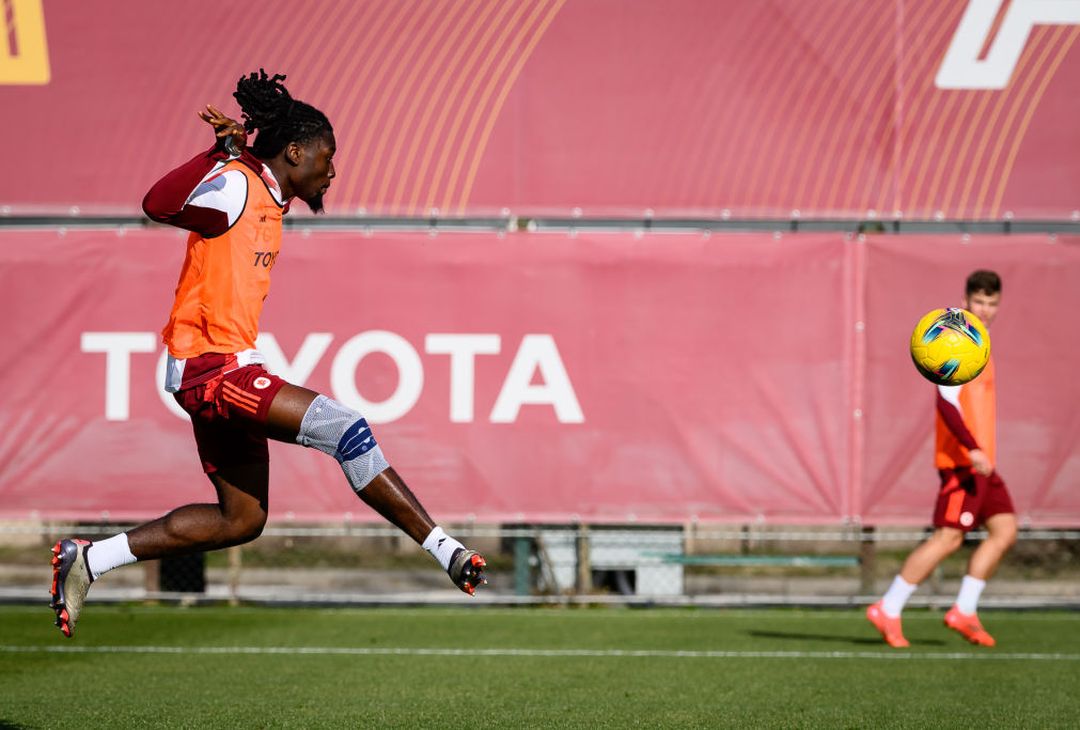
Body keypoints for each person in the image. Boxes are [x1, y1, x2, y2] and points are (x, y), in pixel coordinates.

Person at [50, 70, 486, 638]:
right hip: (210, 367)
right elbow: (157, 204)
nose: (332, 170)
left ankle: (89, 559)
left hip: (222, 366)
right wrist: (216, 151)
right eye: (327, 158)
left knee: (243, 519)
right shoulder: (237, 186)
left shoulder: (270, 201)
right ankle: (445, 550)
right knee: (345, 427)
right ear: (296, 151)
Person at [867, 270, 1016, 648]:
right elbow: (945, 403)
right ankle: (889, 606)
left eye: (991, 303)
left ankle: (964, 609)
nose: (984, 310)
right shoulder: (955, 344)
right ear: (965, 302)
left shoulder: (980, 346)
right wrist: (972, 448)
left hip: (984, 465)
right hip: (963, 463)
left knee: (1004, 531)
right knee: (948, 538)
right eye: (978, 302)